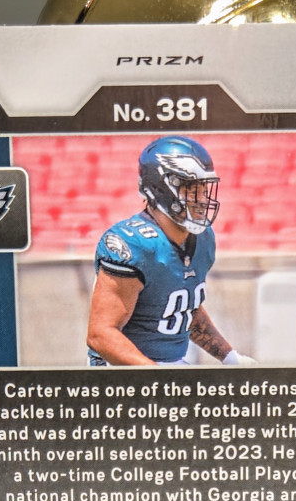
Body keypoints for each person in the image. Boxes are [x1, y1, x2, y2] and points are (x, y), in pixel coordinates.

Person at [86, 135, 255, 366]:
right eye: (191, 189)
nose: (202, 199)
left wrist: (230, 357)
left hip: (170, 365)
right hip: (122, 373)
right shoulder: (133, 243)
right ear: (160, 188)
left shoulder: (203, 239)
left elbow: (183, 309)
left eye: (204, 188)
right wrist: (160, 378)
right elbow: (101, 334)